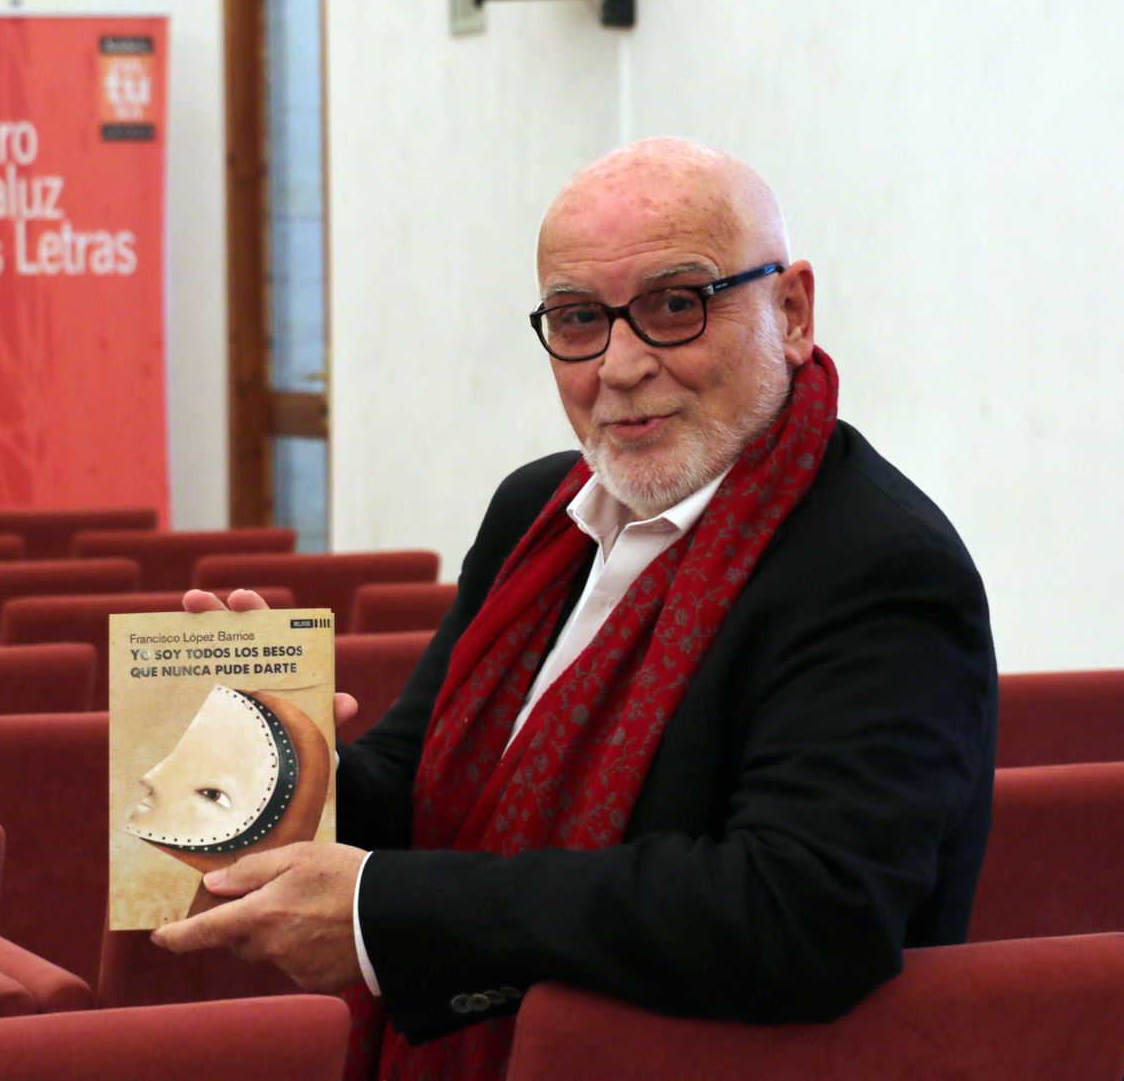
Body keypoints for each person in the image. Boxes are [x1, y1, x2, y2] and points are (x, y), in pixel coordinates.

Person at [158, 138, 998, 1080]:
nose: (622, 363)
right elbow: (420, 786)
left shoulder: (875, 565)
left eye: (676, 306)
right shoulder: (540, 509)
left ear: (792, 311)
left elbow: (800, 910)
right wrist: (276, 763)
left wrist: (380, 911)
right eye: (577, 320)